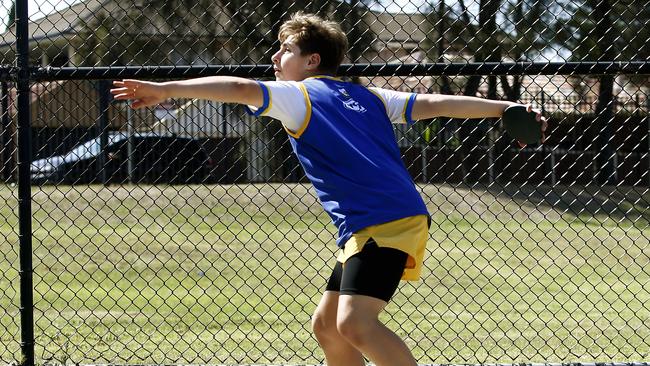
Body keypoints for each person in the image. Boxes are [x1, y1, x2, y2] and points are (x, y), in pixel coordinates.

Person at [111, 11, 547, 366]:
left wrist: (163, 87)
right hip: (376, 222)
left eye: (286, 49)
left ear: (312, 61)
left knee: (355, 325)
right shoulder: (371, 97)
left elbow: (240, 88)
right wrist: (504, 107)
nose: (276, 57)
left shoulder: (297, 95)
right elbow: (437, 104)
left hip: (384, 219)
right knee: (327, 325)